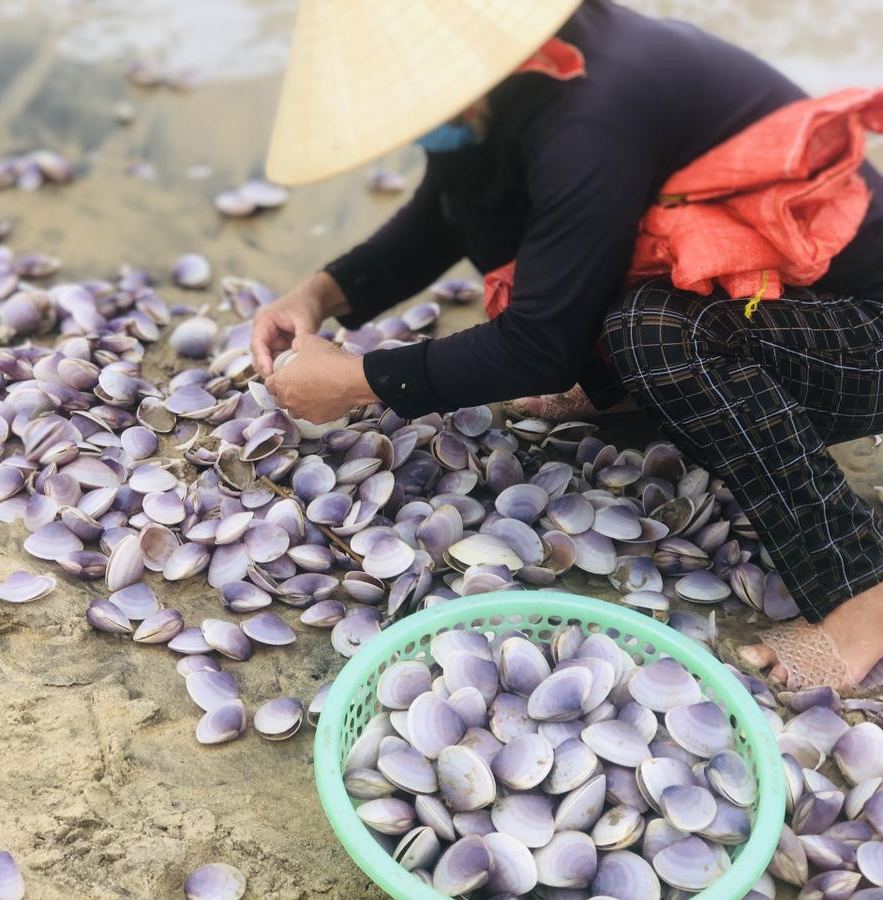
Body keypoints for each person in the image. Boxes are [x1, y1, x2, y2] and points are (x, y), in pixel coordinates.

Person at [251, 0, 883, 692]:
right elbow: (445, 212)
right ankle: (629, 392)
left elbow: (537, 348)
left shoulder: (595, 108)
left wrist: (357, 379)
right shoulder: (520, 80)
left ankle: (860, 596)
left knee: (656, 337)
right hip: (785, 311)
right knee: (584, 276)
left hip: (861, 335)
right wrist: (318, 296)